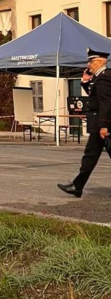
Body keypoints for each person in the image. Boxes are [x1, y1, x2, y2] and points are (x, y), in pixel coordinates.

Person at [58, 48, 111, 198]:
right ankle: (77, 186)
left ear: (99, 61)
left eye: (91, 61)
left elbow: (105, 102)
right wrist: (85, 81)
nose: (89, 64)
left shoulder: (104, 77)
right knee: (90, 156)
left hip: (101, 124)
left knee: (90, 155)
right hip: (99, 123)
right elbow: (94, 95)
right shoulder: (99, 77)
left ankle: (77, 186)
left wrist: (104, 125)